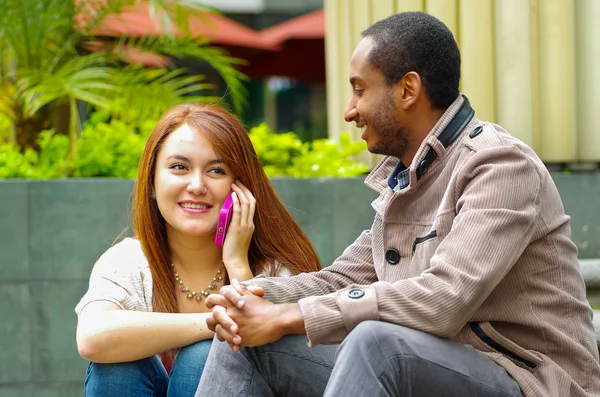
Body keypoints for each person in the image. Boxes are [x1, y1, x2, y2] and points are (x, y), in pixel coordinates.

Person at [195, 11, 600, 397]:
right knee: (243, 338)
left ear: (408, 89)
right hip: (430, 368)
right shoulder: (408, 178)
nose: (349, 111)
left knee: (377, 344)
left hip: (529, 381)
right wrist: (251, 296)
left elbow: (446, 298)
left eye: (359, 89)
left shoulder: (499, 165)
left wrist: (290, 317)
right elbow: (340, 281)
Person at [74, 103, 322, 397]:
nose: (196, 185)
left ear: (240, 188)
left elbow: (291, 368)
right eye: (179, 167)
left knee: (202, 358)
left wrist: (237, 264)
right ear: (152, 182)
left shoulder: (273, 271)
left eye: (216, 170)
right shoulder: (129, 262)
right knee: (115, 367)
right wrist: (214, 323)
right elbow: (92, 338)